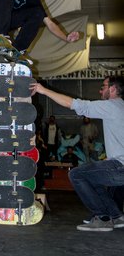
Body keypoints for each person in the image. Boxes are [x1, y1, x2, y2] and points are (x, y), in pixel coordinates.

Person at [30, 75, 124, 232]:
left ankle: (102, 218)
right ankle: (116, 216)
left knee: (76, 174)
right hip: (119, 164)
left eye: (104, 86)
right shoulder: (121, 107)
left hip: (120, 167)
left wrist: (42, 89)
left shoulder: (111, 105)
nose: (101, 90)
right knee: (93, 177)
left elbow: (74, 104)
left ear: (113, 89)